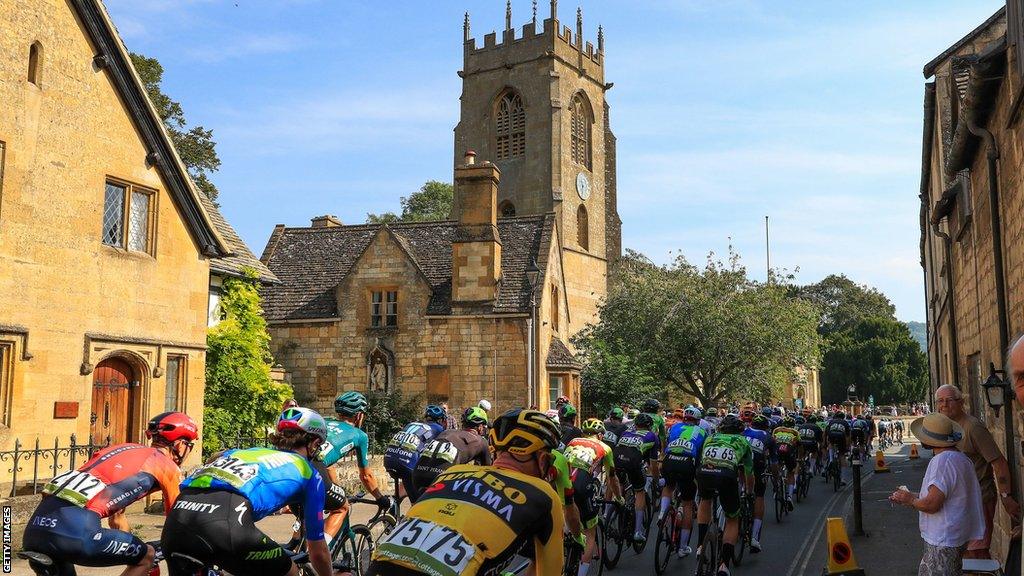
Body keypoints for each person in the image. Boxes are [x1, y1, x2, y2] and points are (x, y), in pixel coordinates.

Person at [367, 409, 565, 575]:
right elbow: (550, 571)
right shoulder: (545, 494)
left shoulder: (453, 472)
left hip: (380, 565)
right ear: (541, 460)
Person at [162, 408, 335, 576]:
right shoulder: (311, 475)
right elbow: (317, 550)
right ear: (314, 444)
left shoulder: (246, 452)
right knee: (290, 571)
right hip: (225, 526)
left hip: (176, 522)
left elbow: (215, 457)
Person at [23, 412, 197, 576]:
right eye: (189, 445)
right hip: (76, 533)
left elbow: (117, 516)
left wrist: (129, 544)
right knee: (147, 557)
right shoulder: (166, 465)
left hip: (34, 532)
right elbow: (177, 522)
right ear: (180, 445)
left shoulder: (122, 449)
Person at [889, 413, 984, 576]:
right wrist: (911, 497)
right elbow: (948, 496)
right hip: (955, 537)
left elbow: (932, 504)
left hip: (943, 539)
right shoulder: (961, 459)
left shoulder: (942, 461)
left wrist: (910, 499)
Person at [934, 384, 1021, 559]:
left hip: (978, 500)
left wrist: (1006, 496)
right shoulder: (943, 428)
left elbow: (999, 462)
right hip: (957, 504)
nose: (944, 405)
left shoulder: (972, 427)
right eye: (940, 401)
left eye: (949, 400)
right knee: (962, 554)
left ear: (961, 402)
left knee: (977, 554)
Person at [316, 391, 391, 546]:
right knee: (342, 507)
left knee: (307, 516)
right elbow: (366, 477)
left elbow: (328, 464)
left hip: (297, 465)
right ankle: (317, 553)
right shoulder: (359, 435)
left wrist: (337, 489)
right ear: (358, 416)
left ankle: (299, 546)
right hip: (315, 471)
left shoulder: (324, 422)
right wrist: (380, 497)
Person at [696, 415, 753, 576]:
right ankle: (724, 565)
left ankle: (700, 545)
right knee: (732, 519)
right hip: (726, 476)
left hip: (705, 472)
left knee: (705, 501)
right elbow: (749, 474)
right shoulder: (743, 442)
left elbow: (701, 459)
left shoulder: (710, 438)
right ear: (740, 431)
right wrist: (749, 492)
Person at [564, 418, 622, 576]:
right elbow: (612, 478)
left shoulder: (573, 441)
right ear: (601, 435)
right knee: (590, 532)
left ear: (584, 433)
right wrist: (619, 498)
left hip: (561, 482)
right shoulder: (605, 448)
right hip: (582, 485)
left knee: (564, 522)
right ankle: (582, 572)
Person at [412, 407, 492, 498]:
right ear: (480, 426)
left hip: (417, 474)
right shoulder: (482, 442)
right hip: (441, 479)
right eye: (484, 426)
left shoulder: (447, 432)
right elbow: (487, 472)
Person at [661, 406, 707, 558]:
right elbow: (700, 458)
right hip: (687, 463)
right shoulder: (702, 432)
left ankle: (662, 514)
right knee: (687, 503)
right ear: (698, 421)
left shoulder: (674, 427)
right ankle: (683, 547)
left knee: (669, 486)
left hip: (669, 460)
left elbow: (667, 443)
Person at [613, 412, 661, 544]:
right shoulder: (652, 436)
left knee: (621, 483)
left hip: (616, 460)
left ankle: (615, 510)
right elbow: (653, 464)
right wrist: (656, 480)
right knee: (640, 492)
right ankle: (638, 531)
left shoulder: (626, 432)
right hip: (633, 463)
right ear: (650, 426)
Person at [383, 405, 446, 502]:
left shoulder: (412, 424)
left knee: (407, 478)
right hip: (406, 462)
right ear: (441, 420)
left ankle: (393, 509)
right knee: (419, 498)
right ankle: (415, 511)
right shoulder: (439, 429)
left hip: (389, 458)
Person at [743, 414, 775, 552]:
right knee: (759, 496)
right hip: (757, 466)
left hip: (739, 463)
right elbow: (774, 463)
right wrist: (776, 477)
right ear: (767, 427)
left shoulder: (743, 431)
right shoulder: (768, 436)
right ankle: (754, 537)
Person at [772, 417, 800, 511]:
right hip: (788, 451)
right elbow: (799, 445)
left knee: (777, 468)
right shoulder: (795, 432)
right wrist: (800, 457)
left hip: (777, 451)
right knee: (791, 472)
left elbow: (773, 441)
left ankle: (777, 488)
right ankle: (789, 496)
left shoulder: (776, 430)